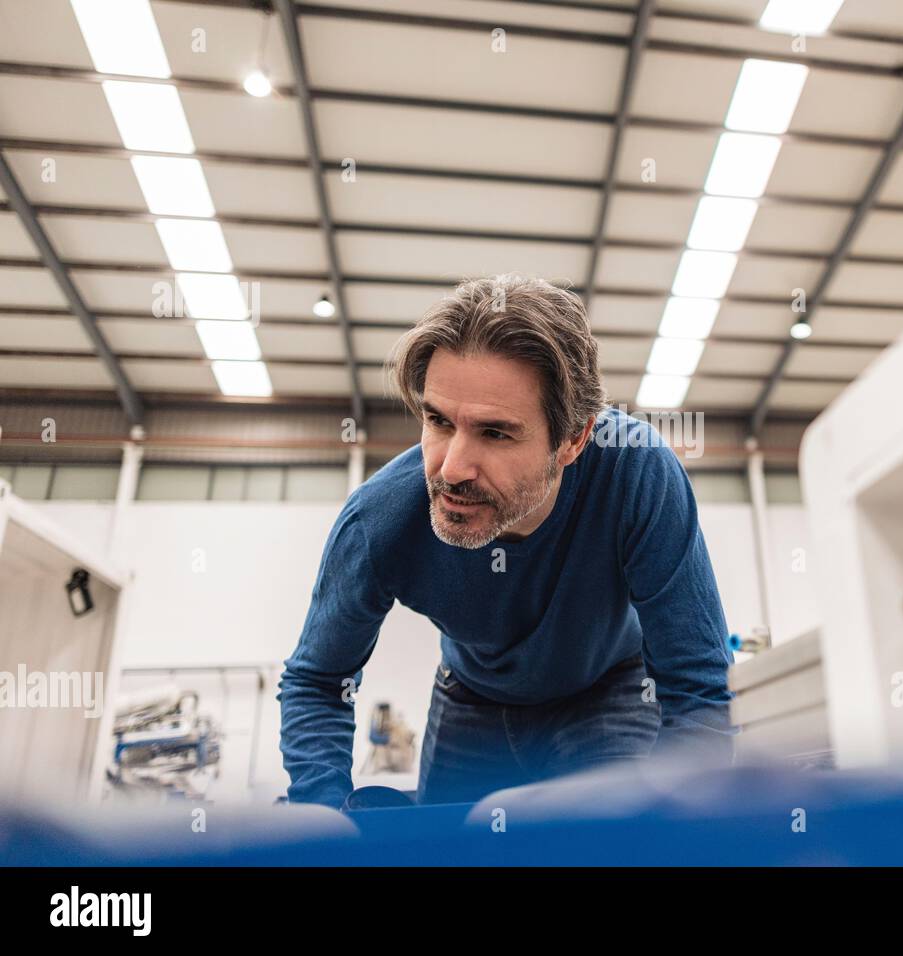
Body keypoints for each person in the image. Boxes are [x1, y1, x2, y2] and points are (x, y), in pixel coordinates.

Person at [279, 274, 735, 807]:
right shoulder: (380, 521)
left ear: (574, 439)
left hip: (610, 692)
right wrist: (323, 808)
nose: (451, 469)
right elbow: (318, 680)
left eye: (495, 433)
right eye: (437, 420)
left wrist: (671, 816)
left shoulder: (638, 475)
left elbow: (698, 685)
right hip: (470, 699)